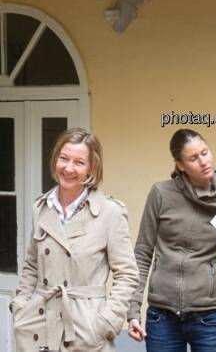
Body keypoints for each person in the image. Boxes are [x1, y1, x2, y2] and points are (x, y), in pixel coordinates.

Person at [10, 127, 139, 352]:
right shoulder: (41, 208)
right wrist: (21, 306)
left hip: (85, 330)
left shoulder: (109, 212)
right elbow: (31, 265)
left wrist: (106, 321)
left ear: (91, 167)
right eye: (64, 159)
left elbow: (127, 273)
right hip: (38, 326)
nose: (68, 168)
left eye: (79, 162)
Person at [127, 128, 216, 352]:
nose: (203, 161)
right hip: (161, 318)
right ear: (180, 164)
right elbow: (143, 253)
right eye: (193, 158)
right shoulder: (161, 193)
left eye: (205, 152)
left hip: (210, 318)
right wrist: (133, 310)